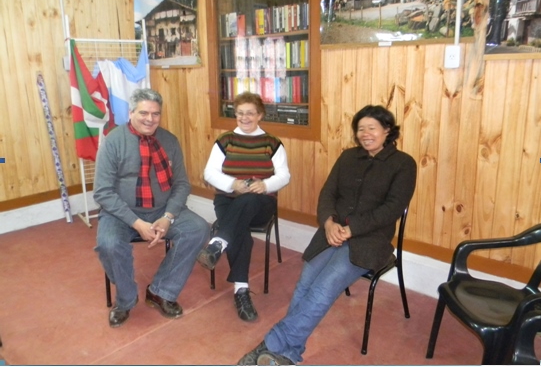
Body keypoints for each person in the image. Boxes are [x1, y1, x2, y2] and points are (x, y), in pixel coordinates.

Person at [237, 105, 417, 365]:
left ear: (387, 130)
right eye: (361, 129)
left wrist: (352, 229)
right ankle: (288, 354)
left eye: (372, 128)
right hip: (332, 232)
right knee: (305, 285)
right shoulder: (348, 157)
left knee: (323, 288)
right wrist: (329, 223)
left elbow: (392, 209)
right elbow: (327, 194)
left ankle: (272, 343)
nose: (365, 134)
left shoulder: (403, 164)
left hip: (369, 240)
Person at [93, 88, 208, 328]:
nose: (150, 119)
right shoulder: (114, 141)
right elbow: (103, 192)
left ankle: (161, 291)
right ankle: (126, 299)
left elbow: (182, 184)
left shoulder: (169, 141)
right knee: (109, 244)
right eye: (143, 112)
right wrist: (136, 223)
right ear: (132, 112)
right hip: (121, 213)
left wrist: (168, 217)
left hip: (162, 210)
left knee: (198, 229)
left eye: (155, 114)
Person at [197, 92, 290, 322]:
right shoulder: (225, 140)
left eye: (250, 113)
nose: (245, 117)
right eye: (240, 113)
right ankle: (241, 289)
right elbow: (209, 173)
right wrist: (232, 184)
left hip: (261, 202)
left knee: (248, 198)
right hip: (227, 199)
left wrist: (265, 184)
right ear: (235, 114)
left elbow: (284, 175)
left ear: (260, 115)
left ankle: (218, 242)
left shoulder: (272, 143)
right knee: (241, 233)